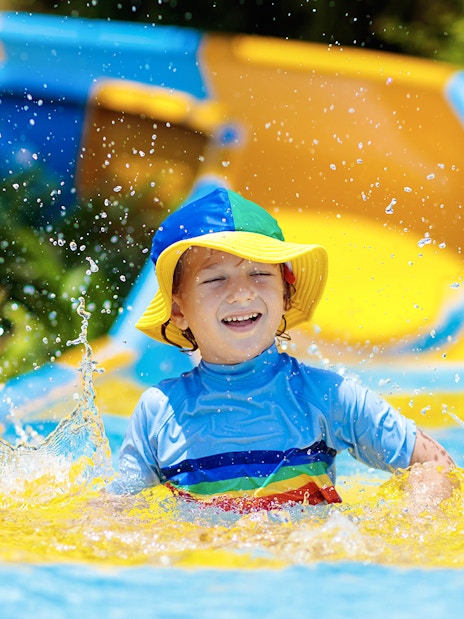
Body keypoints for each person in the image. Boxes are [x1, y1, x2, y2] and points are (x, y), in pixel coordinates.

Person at [118, 186, 455, 511]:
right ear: (179, 311)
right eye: (215, 279)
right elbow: (116, 511)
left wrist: (413, 522)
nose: (242, 293)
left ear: (285, 295)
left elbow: (434, 463)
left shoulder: (327, 395)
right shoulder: (160, 413)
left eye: (260, 274)